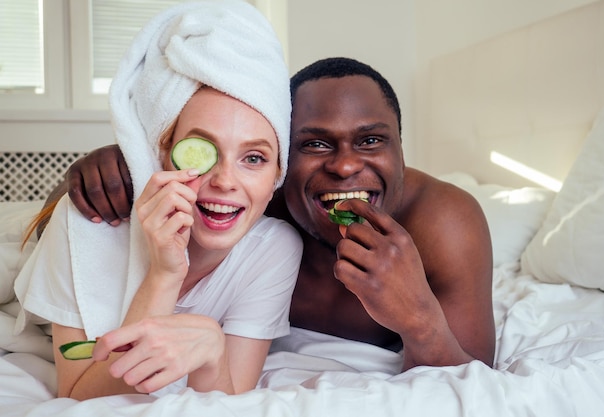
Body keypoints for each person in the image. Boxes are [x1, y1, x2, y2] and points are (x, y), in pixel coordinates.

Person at [46, 57, 496, 370]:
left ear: (401, 146)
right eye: (314, 144)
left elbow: (476, 381)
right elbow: (63, 226)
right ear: (281, 160)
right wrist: (107, 171)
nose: (343, 165)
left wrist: (418, 318)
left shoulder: (444, 223)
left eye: (370, 140)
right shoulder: (258, 201)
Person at [14, 0, 303, 400]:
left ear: (277, 176)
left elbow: (230, 402)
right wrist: (164, 274)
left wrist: (213, 355)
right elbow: (80, 399)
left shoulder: (273, 250)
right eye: (202, 150)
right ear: (162, 152)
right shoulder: (83, 225)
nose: (224, 181)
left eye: (254, 158)